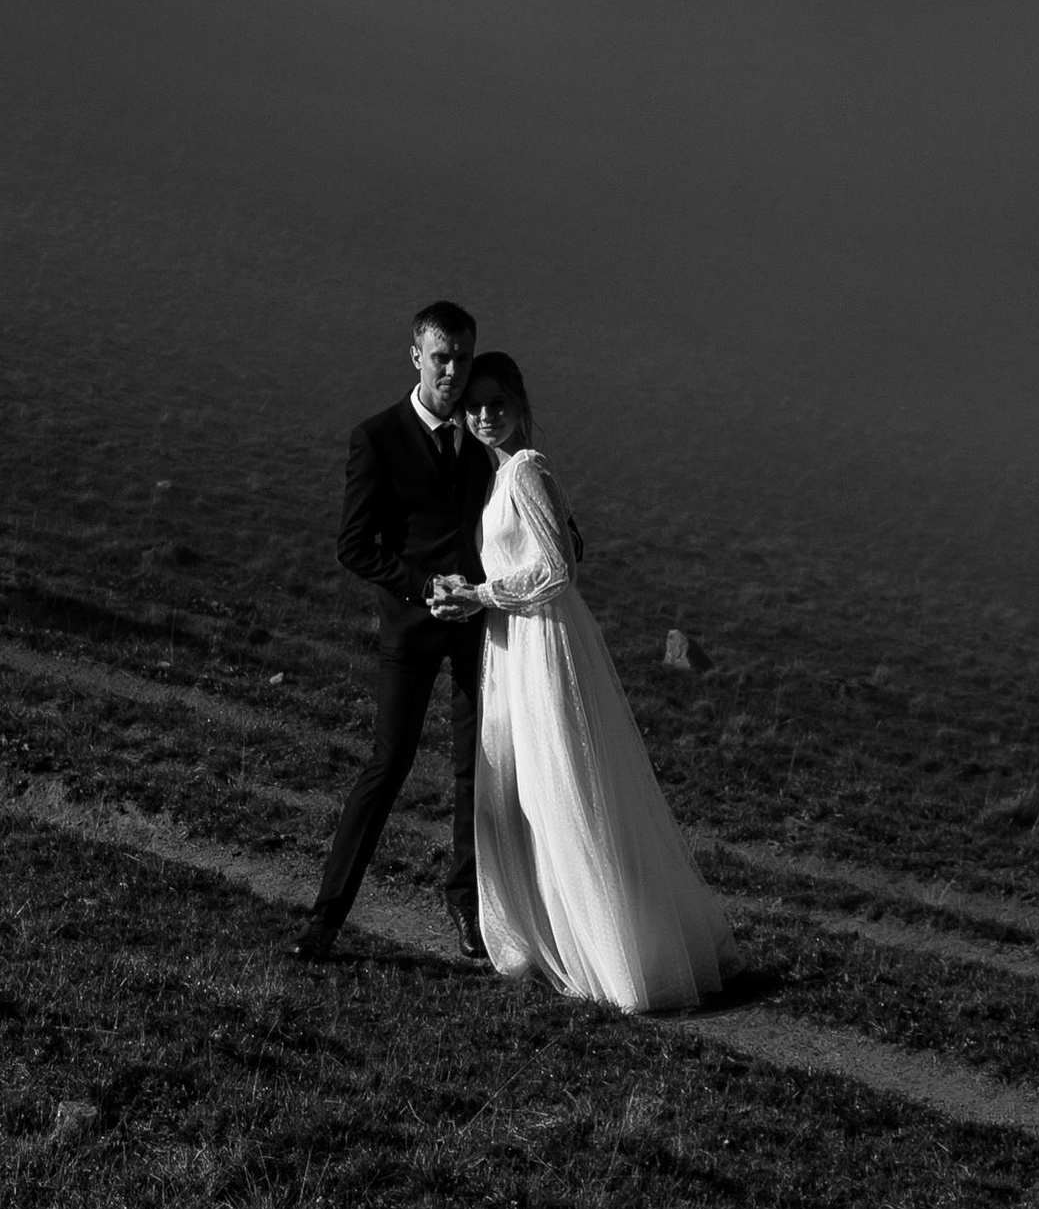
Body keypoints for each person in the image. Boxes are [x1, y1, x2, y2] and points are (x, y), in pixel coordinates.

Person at [431, 352, 732, 1013]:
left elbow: (557, 566)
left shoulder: (527, 469)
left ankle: (619, 952)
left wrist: (480, 592)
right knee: (529, 792)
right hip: (516, 643)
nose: (484, 414)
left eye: (497, 402)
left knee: (561, 787)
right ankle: (561, 939)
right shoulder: (498, 475)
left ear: (519, 404)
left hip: (543, 643)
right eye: (474, 404)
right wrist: (468, 591)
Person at [295, 300, 495, 964]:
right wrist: (420, 585)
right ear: (415, 356)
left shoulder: (488, 438)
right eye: (441, 357)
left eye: (463, 357)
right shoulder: (375, 437)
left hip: (479, 633)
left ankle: (467, 910)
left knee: (479, 772)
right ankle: (327, 916)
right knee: (387, 765)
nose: (453, 370)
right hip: (410, 631)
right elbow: (354, 546)